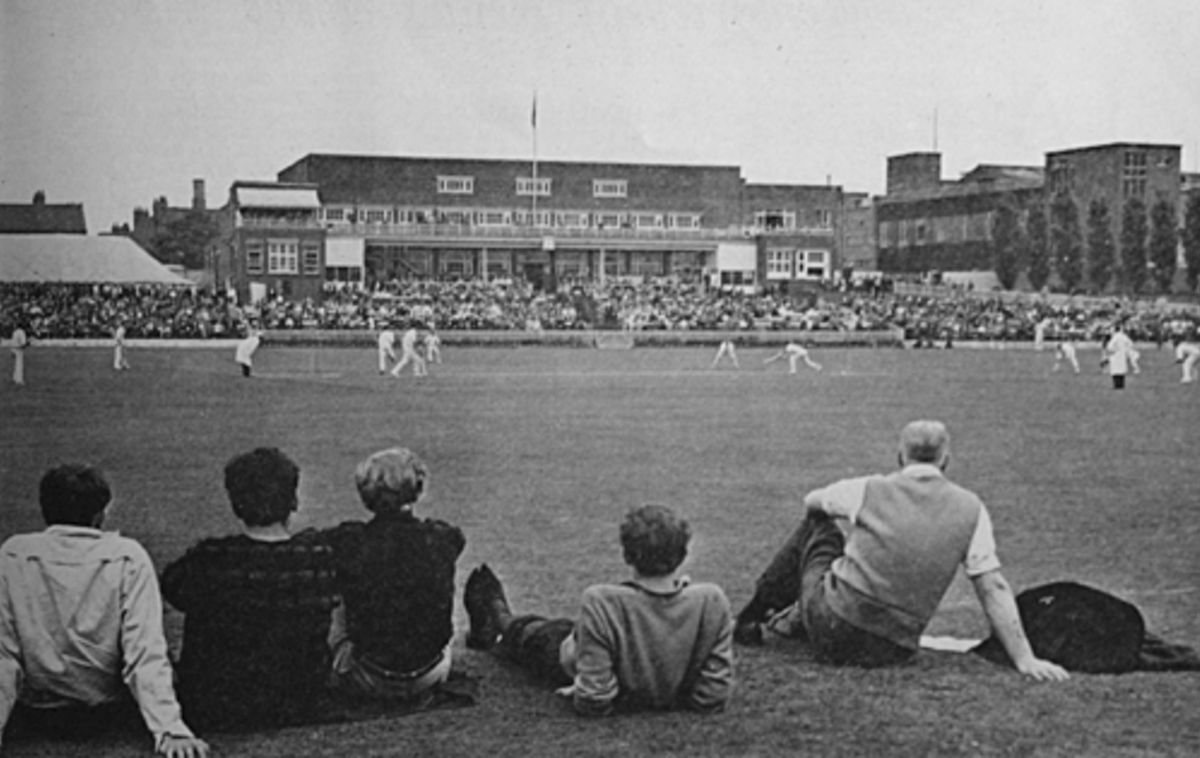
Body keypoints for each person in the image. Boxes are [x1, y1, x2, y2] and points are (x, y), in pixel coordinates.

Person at [733, 420, 1069, 683]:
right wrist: (1025, 658)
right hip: (892, 648)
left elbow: (811, 501)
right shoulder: (972, 508)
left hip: (831, 630)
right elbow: (991, 585)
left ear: (900, 455)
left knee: (817, 526)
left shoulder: (869, 488)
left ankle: (755, 615)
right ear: (946, 459)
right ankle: (790, 620)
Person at [0, 464, 208, 757]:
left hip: (39, 710)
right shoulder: (128, 556)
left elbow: (4, 653)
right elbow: (144, 649)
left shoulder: (13, 553)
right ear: (100, 514)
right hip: (108, 711)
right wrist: (170, 728)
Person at [464, 504, 734, 716]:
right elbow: (712, 695)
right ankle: (496, 618)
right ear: (683, 555)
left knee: (537, 634)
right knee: (559, 629)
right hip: (592, 642)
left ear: (627, 555)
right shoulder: (710, 600)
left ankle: (498, 615)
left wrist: (590, 689)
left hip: (566, 653)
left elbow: (594, 701)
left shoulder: (602, 600)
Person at [161, 448, 339, 730]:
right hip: (298, 700)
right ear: (293, 500)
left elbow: (172, 586)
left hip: (218, 703)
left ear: (236, 503)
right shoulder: (318, 555)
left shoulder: (209, 560)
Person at [323, 448, 465, 700]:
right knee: (437, 579)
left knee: (338, 593)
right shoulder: (442, 536)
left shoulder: (349, 540)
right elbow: (454, 542)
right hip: (430, 672)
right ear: (418, 489)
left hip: (368, 675)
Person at [1102, 324, 1135, 390]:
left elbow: (1110, 347)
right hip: (1122, 355)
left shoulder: (1115, 337)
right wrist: (1125, 349)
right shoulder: (1124, 336)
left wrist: (1114, 350)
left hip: (1115, 356)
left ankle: (1116, 385)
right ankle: (1122, 385)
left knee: (1115, 371)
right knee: (1122, 370)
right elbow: (1131, 344)